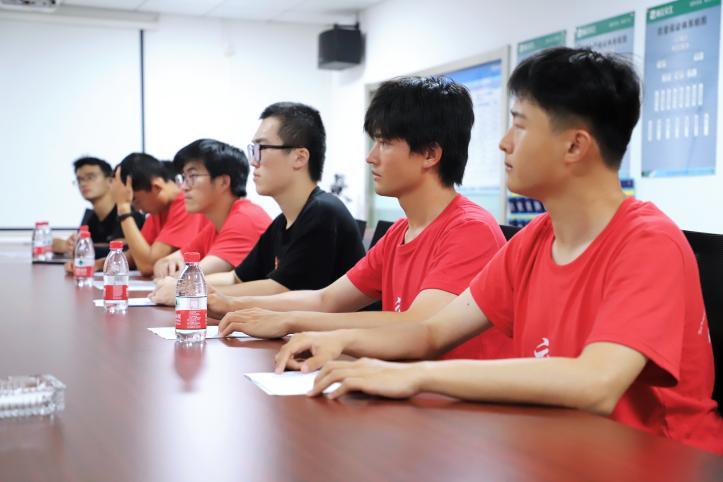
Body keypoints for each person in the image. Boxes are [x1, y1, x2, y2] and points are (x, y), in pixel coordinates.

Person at [272, 48, 723, 455]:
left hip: (659, 460)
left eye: (520, 125)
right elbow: (431, 332)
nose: (504, 143)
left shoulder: (648, 242)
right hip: (559, 448)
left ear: (575, 145)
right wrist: (341, 341)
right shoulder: (533, 240)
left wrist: (414, 375)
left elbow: (596, 382)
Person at [216, 77, 512, 361]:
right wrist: (230, 304)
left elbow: (419, 324)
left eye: (385, 143)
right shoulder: (400, 233)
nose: (371, 157)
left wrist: (290, 320)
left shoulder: (470, 229)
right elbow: (326, 300)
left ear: (429, 154)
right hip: (400, 382)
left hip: (448, 394)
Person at [150, 103, 365, 306]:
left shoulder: (323, 212)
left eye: (261, 148)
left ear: (299, 157)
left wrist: (188, 290)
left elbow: (281, 289)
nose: (253, 161)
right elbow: (236, 278)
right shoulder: (282, 222)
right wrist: (184, 283)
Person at [151, 139, 270, 278]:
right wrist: (167, 266)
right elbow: (162, 264)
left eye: (192, 176)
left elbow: (191, 279)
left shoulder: (245, 220)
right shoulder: (216, 226)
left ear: (223, 182)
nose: (183, 187)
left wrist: (171, 275)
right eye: (183, 178)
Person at [111, 152, 209, 275]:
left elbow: (147, 266)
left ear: (156, 187)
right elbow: (135, 255)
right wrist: (102, 263)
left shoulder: (186, 205)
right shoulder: (158, 210)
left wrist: (123, 208)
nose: (137, 208)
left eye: (136, 200)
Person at [54, 156, 144, 258]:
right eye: (79, 180)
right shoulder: (91, 217)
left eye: (90, 177)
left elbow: (126, 248)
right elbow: (77, 245)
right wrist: (67, 245)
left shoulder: (128, 213)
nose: (83, 183)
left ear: (110, 181)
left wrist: (80, 247)